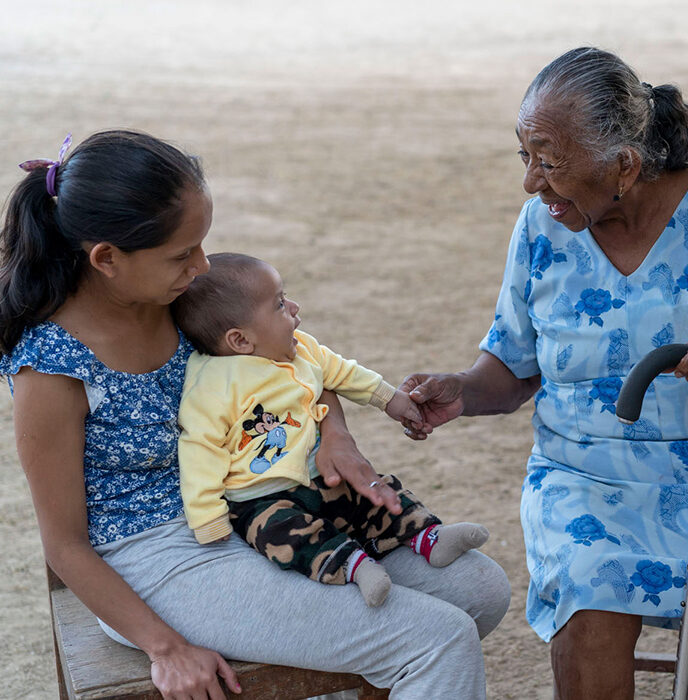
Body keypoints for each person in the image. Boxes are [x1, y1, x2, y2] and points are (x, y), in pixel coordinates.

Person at [397, 47, 688, 699]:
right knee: (588, 589)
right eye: (524, 156)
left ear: (625, 165)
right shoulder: (541, 227)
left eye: (549, 161)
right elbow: (511, 370)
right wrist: (461, 391)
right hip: (582, 475)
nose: (531, 181)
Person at [0, 130, 509, 699]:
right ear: (107, 259)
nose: (201, 264)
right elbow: (64, 546)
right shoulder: (51, 370)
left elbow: (293, 357)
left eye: (201, 244)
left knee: (478, 590)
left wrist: (333, 432)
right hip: (161, 559)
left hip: (265, 503)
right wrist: (165, 647)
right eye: (181, 253)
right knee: (436, 638)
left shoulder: (183, 298)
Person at [171, 252, 490, 607]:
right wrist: (209, 521)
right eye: (279, 304)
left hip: (324, 478)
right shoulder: (211, 387)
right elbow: (200, 450)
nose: (293, 306)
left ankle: (428, 535)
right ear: (240, 341)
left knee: (375, 496)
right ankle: (355, 568)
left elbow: (345, 373)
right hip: (259, 498)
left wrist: (394, 401)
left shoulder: (300, 348)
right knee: (285, 536)